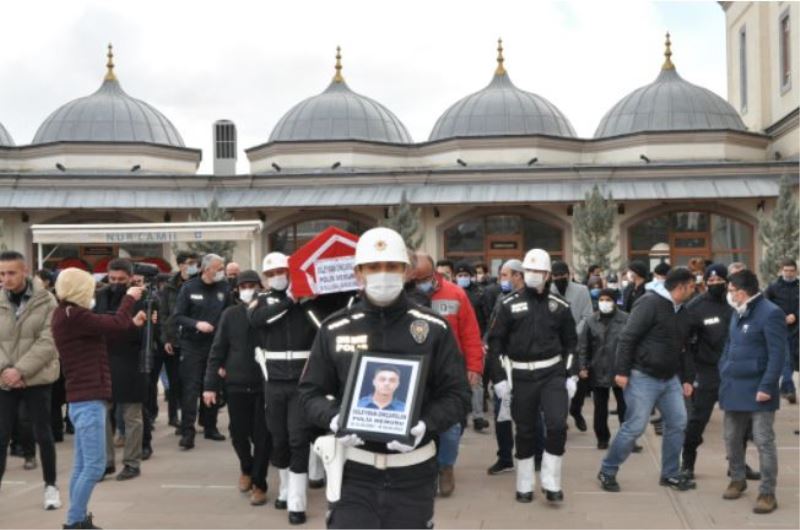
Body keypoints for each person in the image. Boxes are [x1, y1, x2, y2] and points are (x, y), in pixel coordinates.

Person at [299, 227, 470, 529]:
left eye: (392, 266)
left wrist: (425, 424)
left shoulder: (433, 328)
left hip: (414, 472)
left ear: (406, 272)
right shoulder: (335, 328)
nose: (383, 273)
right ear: (359, 273)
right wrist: (335, 419)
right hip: (353, 471)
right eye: (374, 267)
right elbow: (310, 393)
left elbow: (457, 396)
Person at [51, 267, 147, 529]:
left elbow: (107, 326)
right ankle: (74, 522)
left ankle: (78, 518)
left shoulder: (67, 314)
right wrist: (130, 298)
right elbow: (112, 323)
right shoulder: (74, 314)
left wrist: (130, 321)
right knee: (94, 467)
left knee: (82, 466)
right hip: (88, 399)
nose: (95, 290)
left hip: (83, 399)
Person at [488, 249, 578, 503]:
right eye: (529, 271)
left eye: (539, 272)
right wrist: (499, 380)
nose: (533, 276)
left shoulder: (560, 307)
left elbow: (571, 343)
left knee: (557, 425)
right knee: (525, 430)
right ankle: (524, 484)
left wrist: (571, 375)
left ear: (548, 274)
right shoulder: (507, 305)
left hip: (552, 374)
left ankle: (551, 483)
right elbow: (495, 345)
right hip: (520, 375)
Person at [598, 268, 696, 493]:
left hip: (670, 378)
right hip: (642, 376)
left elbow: (684, 349)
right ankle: (608, 470)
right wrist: (621, 371)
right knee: (634, 427)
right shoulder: (649, 303)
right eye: (691, 286)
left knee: (678, 422)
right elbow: (627, 337)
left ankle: (670, 473)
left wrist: (687, 378)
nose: (694, 290)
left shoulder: (683, 311)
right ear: (680, 287)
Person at [249, 251, 323, 525]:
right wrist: (289, 301)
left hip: (302, 382)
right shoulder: (263, 301)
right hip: (274, 382)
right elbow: (257, 321)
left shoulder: (309, 301)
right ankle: (284, 488)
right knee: (278, 439)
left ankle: (297, 501)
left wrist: (304, 301)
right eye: (270, 274)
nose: (276, 277)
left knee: (297, 438)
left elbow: (323, 328)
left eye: (280, 271)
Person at [409, 252, 483, 496]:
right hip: (417, 372)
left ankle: (446, 466)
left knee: (451, 426)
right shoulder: (405, 296)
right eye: (415, 278)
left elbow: (471, 334)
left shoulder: (455, 294)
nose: (421, 283)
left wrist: (474, 367)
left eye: (424, 278)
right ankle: (426, 471)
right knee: (422, 426)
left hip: (450, 370)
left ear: (434, 274)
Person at [720, 269, 787, 514]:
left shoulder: (771, 313)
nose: (728, 294)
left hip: (759, 389)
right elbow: (729, 344)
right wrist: (724, 369)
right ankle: (738, 479)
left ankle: (767, 493)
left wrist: (767, 386)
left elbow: (778, 354)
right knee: (731, 438)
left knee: (763, 441)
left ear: (742, 291)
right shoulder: (737, 312)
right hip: (733, 385)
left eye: (730, 290)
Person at [203, 270, 272, 506]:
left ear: (261, 288)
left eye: (253, 285)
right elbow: (217, 349)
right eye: (244, 285)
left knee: (263, 436)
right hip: (236, 384)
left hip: (265, 385)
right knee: (238, 433)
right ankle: (247, 467)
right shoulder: (230, 315)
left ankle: (260, 484)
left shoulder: (269, 314)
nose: (248, 289)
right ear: (237, 289)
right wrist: (210, 385)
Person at [0, 251, 61, 510]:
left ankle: (50, 486)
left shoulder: (47, 301)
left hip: (37, 378)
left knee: (43, 433)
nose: (6, 279)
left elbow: (49, 341)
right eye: (1, 274)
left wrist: (21, 371)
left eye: (11, 273)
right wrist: (6, 371)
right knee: (1, 436)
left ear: (25, 271)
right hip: (4, 379)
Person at [94, 259, 149, 481]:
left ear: (130, 278)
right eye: (112, 278)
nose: (116, 283)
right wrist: (125, 324)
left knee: (132, 416)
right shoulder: (100, 296)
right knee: (103, 413)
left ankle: (132, 463)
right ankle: (106, 462)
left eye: (121, 279)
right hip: (104, 359)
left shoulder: (141, 299)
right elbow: (98, 326)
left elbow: (139, 333)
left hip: (131, 360)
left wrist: (117, 325)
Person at [173, 253, 230, 449]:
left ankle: (210, 427)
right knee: (191, 388)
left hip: (215, 345)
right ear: (207, 269)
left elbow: (229, 313)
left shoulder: (224, 287)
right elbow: (178, 316)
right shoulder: (189, 288)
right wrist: (197, 323)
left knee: (213, 385)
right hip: (192, 345)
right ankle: (188, 432)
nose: (222, 271)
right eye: (219, 268)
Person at [485, 259, 525, 475]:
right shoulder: (502, 299)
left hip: (526, 365)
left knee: (529, 415)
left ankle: (535, 454)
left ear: (518, 275)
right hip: (504, 364)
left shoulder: (532, 299)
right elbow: (493, 331)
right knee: (502, 414)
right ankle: (505, 457)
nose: (502, 279)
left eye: (505, 275)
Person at [578, 288, 629, 450]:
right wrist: (582, 366)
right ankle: (602, 438)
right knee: (600, 408)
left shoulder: (626, 319)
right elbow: (583, 346)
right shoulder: (591, 321)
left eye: (608, 299)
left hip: (620, 370)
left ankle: (627, 439)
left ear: (615, 302)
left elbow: (631, 344)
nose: (604, 303)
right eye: (602, 299)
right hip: (598, 369)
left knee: (625, 407)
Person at [550, 261, 593, 432]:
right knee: (558, 382)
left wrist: (573, 333)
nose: (560, 278)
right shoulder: (548, 291)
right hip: (554, 344)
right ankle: (561, 416)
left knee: (580, 381)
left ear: (569, 275)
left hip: (577, 342)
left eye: (563, 275)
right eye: (556, 276)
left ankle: (576, 409)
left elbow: (587, 316)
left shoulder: (581, 291)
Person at [160, 251, 200, 430]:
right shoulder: (169, 287)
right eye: (190, 262)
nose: (193, 266)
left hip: (193, 339)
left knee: (189, 381)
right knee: (175, 381)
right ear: (181, 265)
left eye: (195, 263)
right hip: (174, 339)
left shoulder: (199, 283)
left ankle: (188, 419)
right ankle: (173, 416)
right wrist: (166, 338)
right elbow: (164, 315)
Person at [764, 258, 799, 405]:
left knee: (791, 357)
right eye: (786, 270)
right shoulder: (773, 287)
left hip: (797, 327)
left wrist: (796, 315)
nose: (789, 273)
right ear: (781, 271)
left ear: (796, 271)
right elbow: (766, 304)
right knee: (785, 357)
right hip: (779, 327)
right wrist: (781, 316)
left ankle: (785, 388)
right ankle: (788, 387)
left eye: (792, 271)